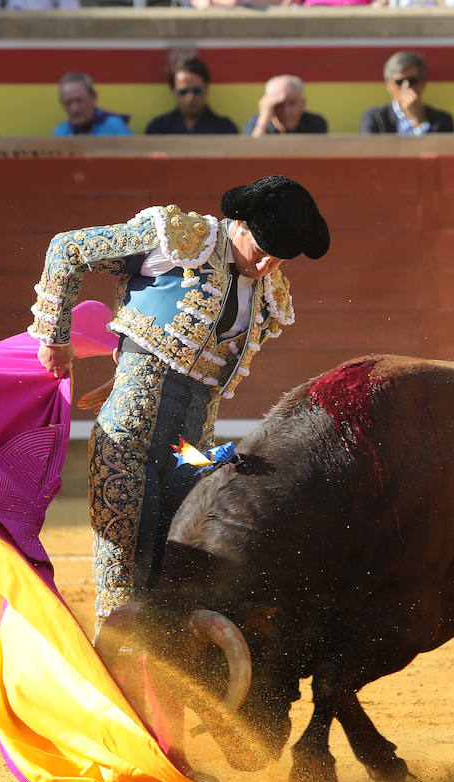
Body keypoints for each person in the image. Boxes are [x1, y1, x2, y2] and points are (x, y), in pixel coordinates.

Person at [30, 176, 329, 629]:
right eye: (262, 250)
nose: (267, 266)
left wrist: (127, 366)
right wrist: (55, 337)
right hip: (127, 444)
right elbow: (67, 250)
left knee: (180, 576)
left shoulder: (268, 291)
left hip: (190, 455)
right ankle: (118, 670)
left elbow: (183, 350)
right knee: (123, 576)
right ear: (241, 225)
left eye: (280, 258)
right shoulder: (179, 239)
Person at [361, 51, 454, 135]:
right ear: (389, 85)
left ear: (423, 83)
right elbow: (370, 151)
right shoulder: (376, 118)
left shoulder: (442, 121)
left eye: (413, 81)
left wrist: (420, 122)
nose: (406, 86)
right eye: (399, 82)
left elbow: (439, 151)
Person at [144, 58, 240, 136]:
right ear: (174, 91)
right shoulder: (158, 128)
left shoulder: (225, 129)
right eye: (183, 91)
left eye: (196, 90)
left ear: (206, 88)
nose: (190, 97)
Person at [244, 75, 329, 137]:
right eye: (280, 105)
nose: (287, 111)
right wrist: (265, 116)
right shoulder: (258, 122)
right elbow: (251, 153)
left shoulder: (314, 122)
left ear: (303, 104)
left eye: (292, 103)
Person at [53, 72, 132, 137]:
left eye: (79, 101)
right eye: (68, 102)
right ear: (61, 103)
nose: (74, 109)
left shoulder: (114, 127)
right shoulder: (61, 133)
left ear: (93, 97)